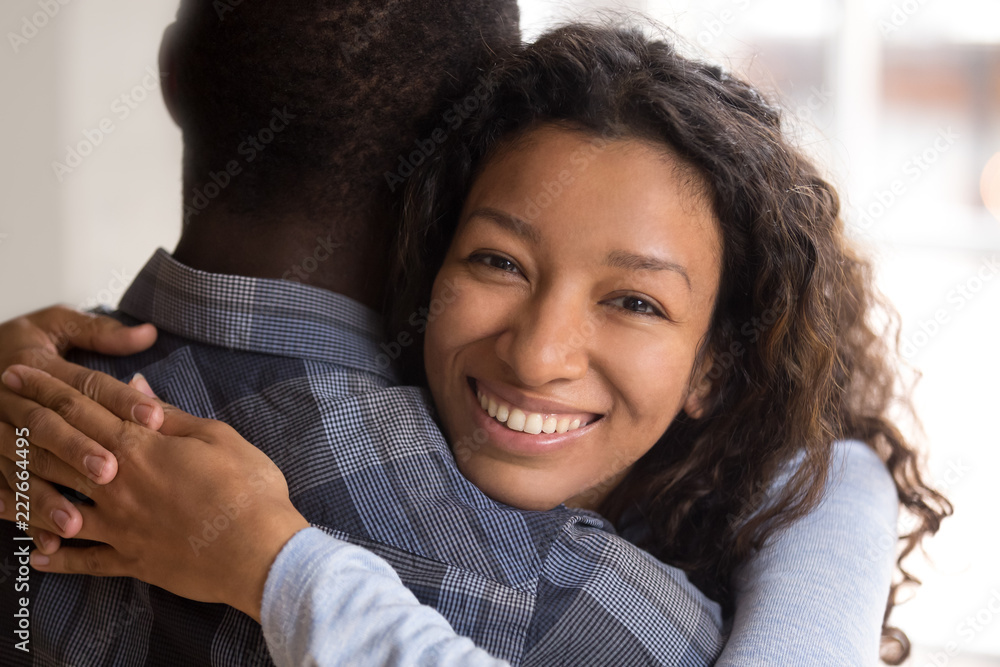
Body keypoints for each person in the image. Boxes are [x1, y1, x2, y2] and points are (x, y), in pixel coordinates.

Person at [0, 18, 948, 667]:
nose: (539, 354)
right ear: (431, 233)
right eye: (498, 261)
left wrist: (279, 564)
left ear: (721, 365)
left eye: (636, 302)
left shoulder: (804, 510)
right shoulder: (37, 421)